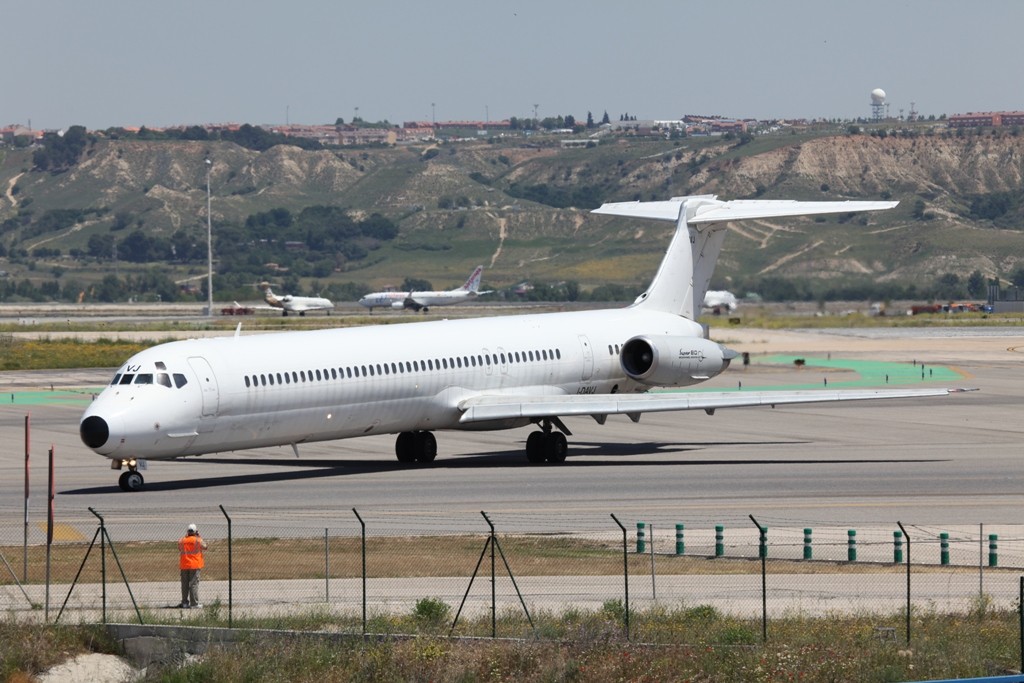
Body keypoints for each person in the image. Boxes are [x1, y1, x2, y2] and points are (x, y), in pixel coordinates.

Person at [178, 523, 208, 608]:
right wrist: (199, 536)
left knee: (184, 585)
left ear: (187, 531)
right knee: (193, 584)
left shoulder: (182, 540)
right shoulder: (197, 540)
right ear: (195, 531)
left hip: (184, 565)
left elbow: (179, 548)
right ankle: (194, 603)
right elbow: (205, 546)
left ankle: (184, 602)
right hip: (194, 565)